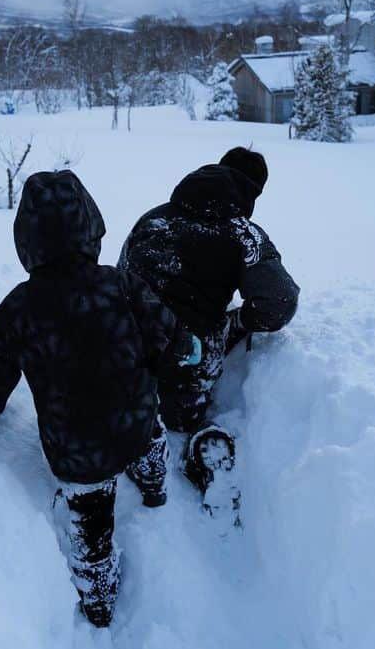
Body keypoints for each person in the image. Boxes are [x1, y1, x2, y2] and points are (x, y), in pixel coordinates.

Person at [0, 170, 197, 628]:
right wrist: (179, 356)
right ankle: (154, 487)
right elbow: (172, 340)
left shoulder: (19, 307)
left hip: (76, 453)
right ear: (91, 225)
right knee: (150, 441)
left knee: (92, 526)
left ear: (26, 240)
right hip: (135, 424)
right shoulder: (122, 285)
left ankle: (98, 598)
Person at [118, 147, 299, 521]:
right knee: (182, 410)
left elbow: (120, 279)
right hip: (187, 365)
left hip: (126, 359)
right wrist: (242, 320)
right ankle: (198, 440)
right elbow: (280, 301)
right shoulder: (242, 235)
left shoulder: (152, 219)